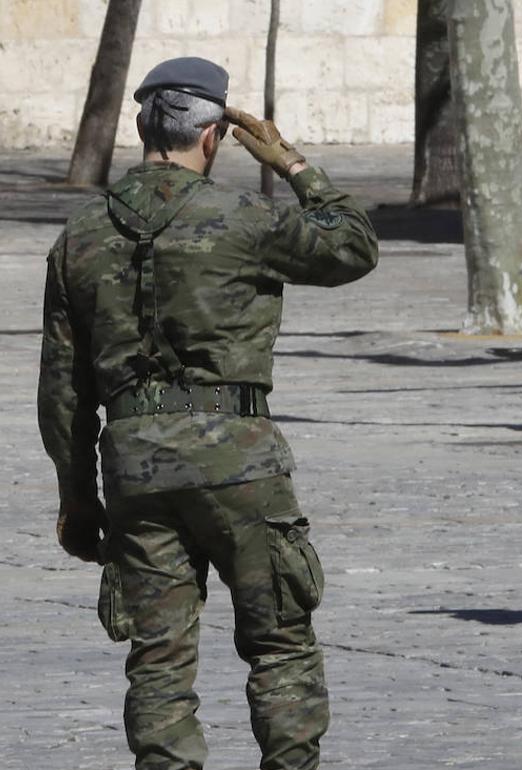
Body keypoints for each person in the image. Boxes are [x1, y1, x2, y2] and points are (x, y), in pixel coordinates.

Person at [38, 56, 379, 770]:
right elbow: (352, 246)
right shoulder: (244, 219)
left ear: (139, 127)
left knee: (158, 657)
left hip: (135, 468)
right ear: (215, 136)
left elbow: (64, 390)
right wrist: (292, 164)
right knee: (279, 640)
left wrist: (78, 499)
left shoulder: (80, 238)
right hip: (238, 461)